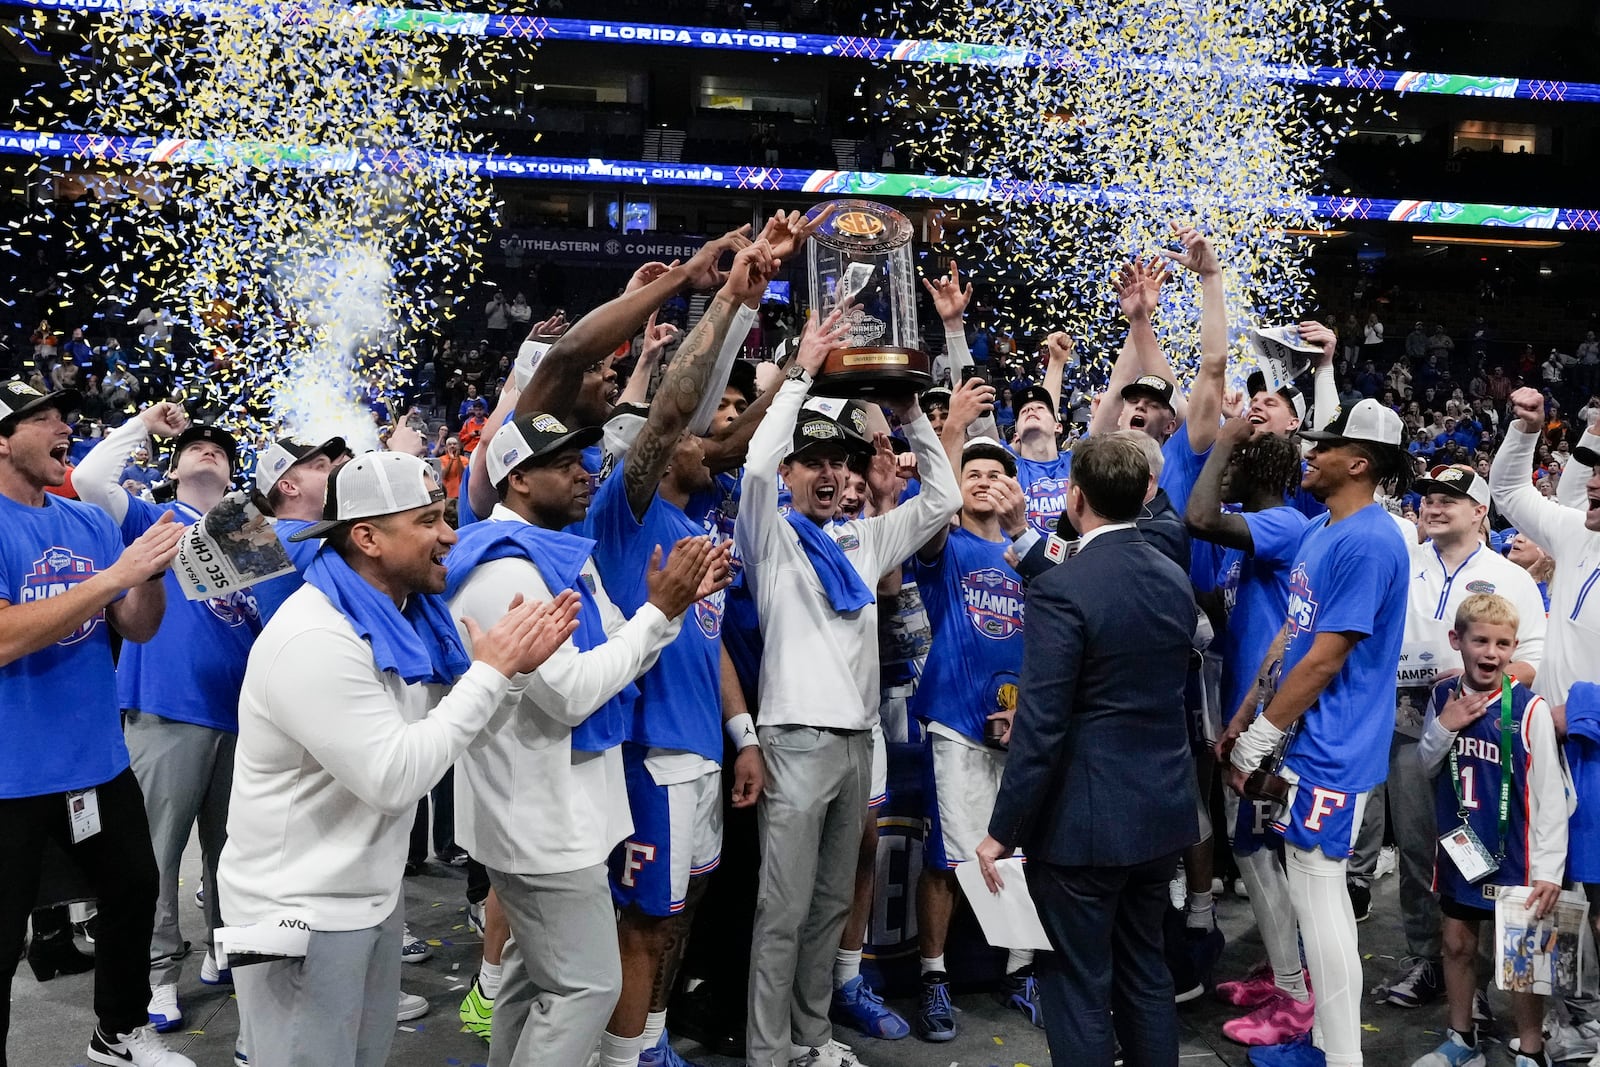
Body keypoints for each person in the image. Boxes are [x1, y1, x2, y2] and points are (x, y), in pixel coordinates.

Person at [216, 452, 579, 1067]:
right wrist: (490, 673)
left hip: (366, 898)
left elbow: (457, 736)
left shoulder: (404, 618)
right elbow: (395, 777)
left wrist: (511, 676)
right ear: (367, 538)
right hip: (301, 912)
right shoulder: (318, 638)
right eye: (429, 520)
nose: (450, 535)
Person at [444, 413, 728, 1067]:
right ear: (518, 479)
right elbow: (572, 690)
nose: (584, 474)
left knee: (527, 978)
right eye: (565, 463)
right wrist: (660, 614)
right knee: (587, 985)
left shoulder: (554, 550)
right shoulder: (505, 571)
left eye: (584, 459)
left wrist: (666, 608)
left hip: (552, 807)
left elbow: (608, 634)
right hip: (539, 819)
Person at [737, 308, 958, 1067]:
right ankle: (769, 1053)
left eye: (841, 462)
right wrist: (800, 373)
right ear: (794, 474)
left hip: (858, 739)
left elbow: (942, 501)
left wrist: (910, 419)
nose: (831, 474)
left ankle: (810, 1037)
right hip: (794, 737)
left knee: (831, 905)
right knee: (781, 909)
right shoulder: (768, 536)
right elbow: (758, 466)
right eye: (815, 463)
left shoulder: (863, 539)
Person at [584, 239, 777, 1067]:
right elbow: (669, 416)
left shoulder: (701, 522)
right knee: (646, 916)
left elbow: (707, 648)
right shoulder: (625, 511)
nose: (713, 439)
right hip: (652, 751)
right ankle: (623, 1053)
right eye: (702, 433)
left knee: (686, 902)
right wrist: (724, 303)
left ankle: (653, 1037)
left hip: (701, 746)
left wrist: (742, 736)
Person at [974, 432, 1199, 1067]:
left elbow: (1040, 728)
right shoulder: (1172, 577)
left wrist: (1002, 831)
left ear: (1075, 500)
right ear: (1146, 493)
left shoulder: (1065, 590)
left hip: (1084, 828)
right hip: (1161, 816)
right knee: (1145, 973)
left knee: (1075, 985)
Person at [0, 378, 192, 1067]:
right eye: (43, 418)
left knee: (134, 887)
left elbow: (136, 627)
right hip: (10, 772)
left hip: (96, 759)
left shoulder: (86, 521)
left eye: (64, 417)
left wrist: (150, 572)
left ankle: (118, 1029)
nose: (63, 429)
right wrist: (114, 578)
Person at [1223, 398, 1413, 1067]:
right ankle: (1326, 1046)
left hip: (1333, 751)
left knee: (1321, 896)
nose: (1311, 452)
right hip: (1305, 741)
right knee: (1310, 894)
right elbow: (1291, 633)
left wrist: (1256, 740)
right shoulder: (1322, 529)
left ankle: (1339, 1057)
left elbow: (1327, 656)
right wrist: (1248, 710)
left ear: (1358, 462)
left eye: (1326, 446)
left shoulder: (1371, 538)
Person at [73, 406, 266, 1034]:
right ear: (173, 465)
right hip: (166, 707)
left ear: (236, 470)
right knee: (155, 854)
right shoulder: (147, 516)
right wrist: (145, 425)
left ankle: (223, 947)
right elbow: (89, 479)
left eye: (220, 447)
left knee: (234, 850)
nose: (208, 450)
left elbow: (268, 618)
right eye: (195, 446)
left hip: (241, 711)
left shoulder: (246, 530)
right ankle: (158, 974)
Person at [1359, 464, 1544, 1010]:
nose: (1434, 508)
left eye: (1450, 500)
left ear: (1481, 511)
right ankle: (1427, 961)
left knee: (1486, 856)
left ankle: (1479, 981)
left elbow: (1533, 657)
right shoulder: (1405, 563)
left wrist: (1474, 691)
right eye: (1429, 500)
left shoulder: (1509, 576)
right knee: (1419, 850)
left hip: (1487, 738)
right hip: (1408, 725)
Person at [1186, 421, 1315, 1047]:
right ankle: (1281, 969)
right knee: (1255, 853)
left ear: (1253, 470)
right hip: (1245, 713)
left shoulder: (1285, 524)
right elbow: (1225, 604)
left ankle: (1295, 994)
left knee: (1262, 856)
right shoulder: (1265, 539)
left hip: (1267, 725)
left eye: (1234, 463)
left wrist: (1225, 444)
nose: (1225, 471)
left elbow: (1200, 516)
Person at [1410, 594, 1568, 1067]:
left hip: (1518, 856)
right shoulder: (1443, 696)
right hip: (1463, 847)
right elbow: (1425, 764)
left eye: (1503, 643)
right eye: (1480, 640)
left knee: (1525, 960)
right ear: (1457, 641)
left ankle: (1531, 1049)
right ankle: (1462, 1039)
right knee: (1456, 943)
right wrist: (1444, 726)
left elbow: (1551, 795)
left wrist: (1550, 870)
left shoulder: (1530, 709)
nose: (1491, 652)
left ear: (1515, 648)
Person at [909, 434, 1031, 1042]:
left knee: (1020, 855)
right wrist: (948, 432)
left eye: (996, 472)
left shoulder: (1032, 553)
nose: (984, 480)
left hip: (1023, 725)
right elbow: (933, 511)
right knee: (946, 861)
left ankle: (1019, 969)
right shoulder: (944, 545)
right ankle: (933, 976)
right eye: (972, 472)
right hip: (956, 721)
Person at [1489, 387, 1600, 715]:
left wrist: (1582, 716)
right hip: (1546, 743)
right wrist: (1527, 431)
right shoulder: (1577, 534)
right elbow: (1509, 491)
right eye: (1594, 473)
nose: (1591, 484)